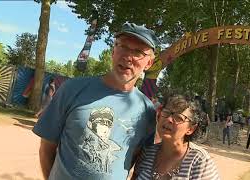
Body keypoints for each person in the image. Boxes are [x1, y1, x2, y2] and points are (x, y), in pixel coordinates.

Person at [32, 22, 160, 180]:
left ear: (149, 63)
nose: (128, 56)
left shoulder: (147, 111)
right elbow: (46, 147)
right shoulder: (72, 89)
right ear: (113, 51)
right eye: (123, 47)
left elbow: (137, 160)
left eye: (138, 52)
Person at [132, 93, 220, 180]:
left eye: (178, 117)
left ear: (191, 129)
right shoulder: (147, 152)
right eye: (166, 112)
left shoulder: (200, 161)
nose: (169, 119)